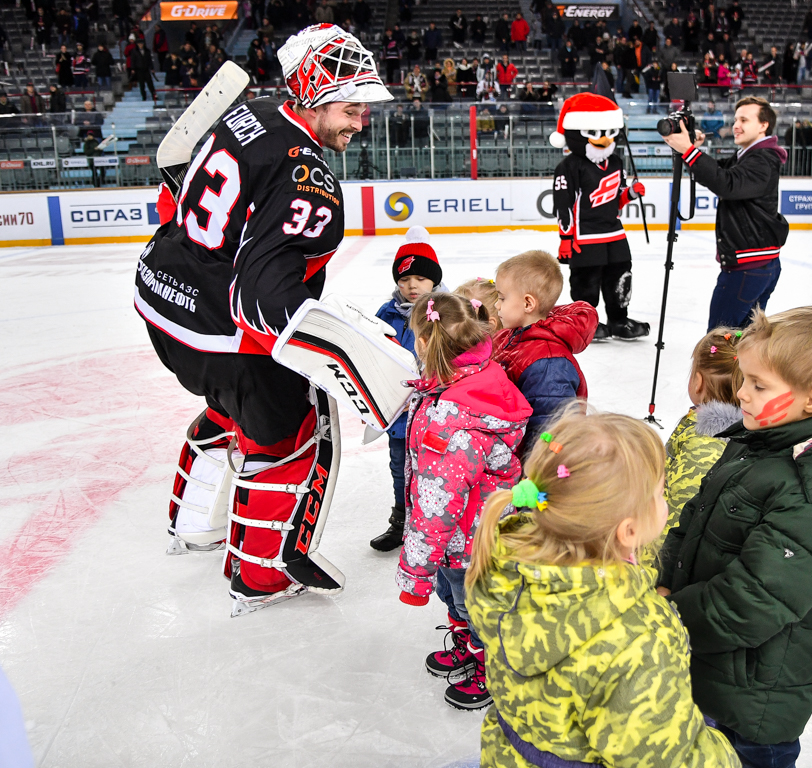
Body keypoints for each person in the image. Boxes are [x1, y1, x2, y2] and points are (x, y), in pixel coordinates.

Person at [135, 24, 392, 613]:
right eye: (352, 107)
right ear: (315, 92)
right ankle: (261, 576)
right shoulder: (310, 177)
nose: (361, 121)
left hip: (162, 301)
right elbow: (262, 298)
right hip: (222, 330)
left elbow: (177, 192)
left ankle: (194, 523)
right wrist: (349, 360)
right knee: (292, 429)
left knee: (231, 405)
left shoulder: (247, 113)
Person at [657, 306, 812, 768]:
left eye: (759, 385)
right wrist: (664, 577)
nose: (740, 394)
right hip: (708, 665)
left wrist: (666, 618)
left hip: (752, 703)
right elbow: (692, 518)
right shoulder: (754, 440)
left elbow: (751, 603)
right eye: (744, 379)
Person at [465, 408, 741, 768]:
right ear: (628, 531)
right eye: (661, 492)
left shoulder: (502, 567)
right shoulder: (639, 637)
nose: (666, 500)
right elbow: (665, 757)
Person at [396, 291, 531, 712]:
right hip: (468, 532)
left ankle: (488, 664)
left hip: (466, 538)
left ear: (424, 343)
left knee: (473, 604)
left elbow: (440, 501)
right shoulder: (467, 379)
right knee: (459, 599)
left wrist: (415, 572)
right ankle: (467, 643)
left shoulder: (455, 419)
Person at [663, 97, 789, 331]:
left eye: (744, 119)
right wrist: (693, 150)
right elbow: (719, 170)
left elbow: (726, 184)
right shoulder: (750, 155)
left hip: (748, 267)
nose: (736, 125)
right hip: (758, 264)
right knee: (743, 338)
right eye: (735, 119)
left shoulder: (762, 159)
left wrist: (689, 152)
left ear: (763, 126)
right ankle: (739, 369)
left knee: (718, 341)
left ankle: (716, 369)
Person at [550, 94, 650, 340]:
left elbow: (616, 199)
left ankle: (619, 320)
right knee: (587, 282)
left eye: (608, 131)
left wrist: (630, 194)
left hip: (614, 232)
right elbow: (564, 205)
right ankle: (586, 322)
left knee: (621, 277)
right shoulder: (569, 166)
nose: (604, 139)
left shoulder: (616, 161)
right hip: (585, 236)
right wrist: (565, 238)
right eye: (594, 132)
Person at [370, 227, 444, 552]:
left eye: (420, 278)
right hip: (398, 413)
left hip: (436, 415)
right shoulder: (386, 314)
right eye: (404, 279)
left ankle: (433, 525)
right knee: (399, 469)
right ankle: (401, 523)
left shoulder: (447, 312)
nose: (412, 285)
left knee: (436, 472)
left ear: (434, 281)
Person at [492, 250, 598, 453]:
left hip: (528, 469)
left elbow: (550, 429)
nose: (496, 305)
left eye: (502, 298)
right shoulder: (509, 336)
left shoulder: (548, 363)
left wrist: (534, 475)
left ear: (528, 303)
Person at [654, 328, 743, 563]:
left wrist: (647, 565)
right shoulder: (717, 430)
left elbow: (677, 517)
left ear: (698, 382)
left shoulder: (703, 444)